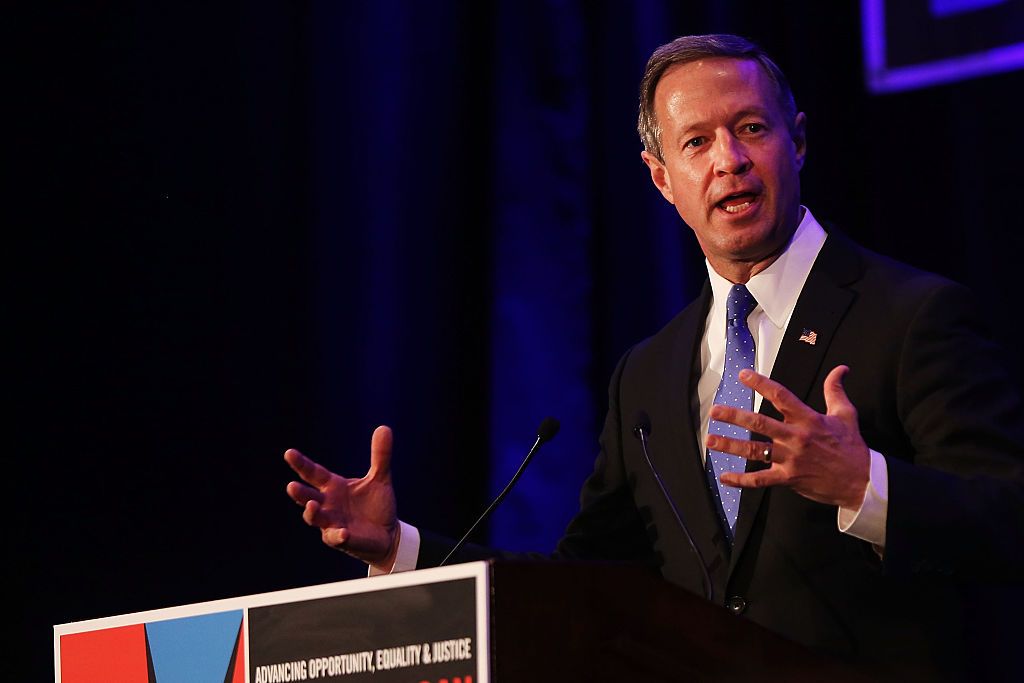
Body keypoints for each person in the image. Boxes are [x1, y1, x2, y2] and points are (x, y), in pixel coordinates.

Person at [285, 34, 1024, 681]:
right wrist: (403, 548)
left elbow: (1010, 518)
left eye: (752, 128)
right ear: (661, 177)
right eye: (696, 142)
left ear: (797, 140)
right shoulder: (647, 374)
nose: (728, 160)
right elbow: (580, 587)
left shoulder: (912, 316)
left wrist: (868, 483)